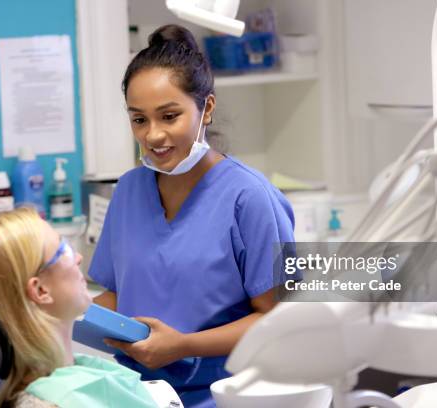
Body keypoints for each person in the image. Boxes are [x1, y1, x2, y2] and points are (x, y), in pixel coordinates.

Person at [88, 24, 295, 407]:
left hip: (225, 395)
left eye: (169, 116)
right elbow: (118, 294)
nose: (153, 135)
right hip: (140, 394)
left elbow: (278, 319)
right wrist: (52, 315)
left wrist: (183, 346)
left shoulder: (249, 197)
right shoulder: (129, 191)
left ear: (207, 109)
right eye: (139, 120)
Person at [0, 208, 159, 408]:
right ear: (40, 291)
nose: (79, 258)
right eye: (64, 250)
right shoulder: (62, 400)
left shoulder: (65, 375)